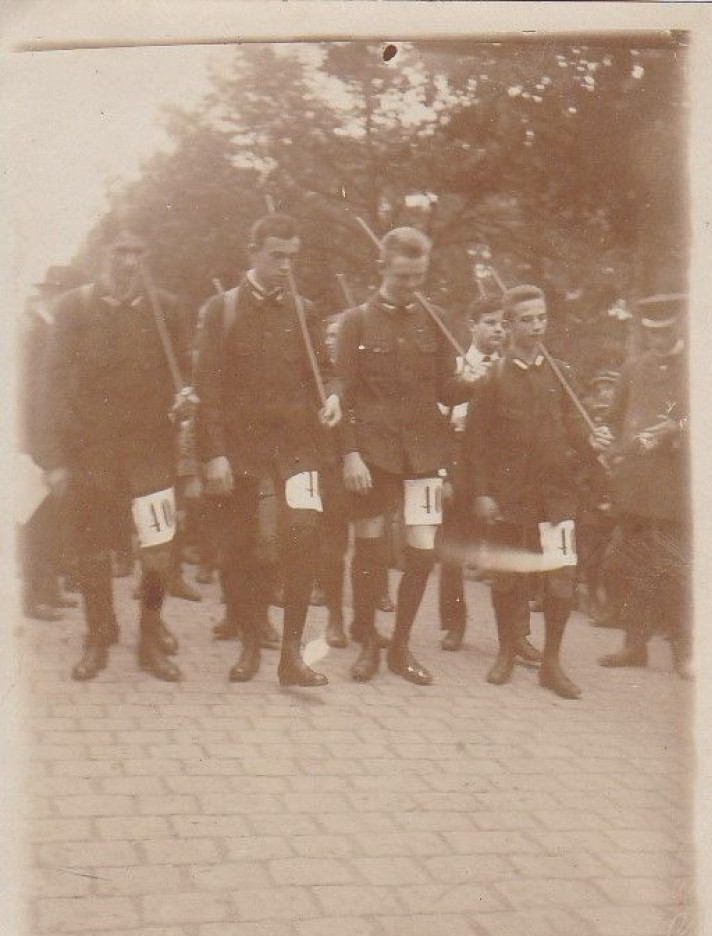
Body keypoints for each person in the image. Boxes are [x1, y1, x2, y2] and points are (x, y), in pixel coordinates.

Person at [37, 218, 190, 682]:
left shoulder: (166, 310)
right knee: (94, 551)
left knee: (159, 552)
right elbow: (51, 387)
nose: (129, 262)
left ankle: (149, 636)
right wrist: (56, 461)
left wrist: (187, 397)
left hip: (151, 455)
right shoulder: (74, 308)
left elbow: (185, 375)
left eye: (138, 252)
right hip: (92, 454)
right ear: (102, 253)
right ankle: (99, 635)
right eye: (120, 251)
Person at [194, 212, 342, 687]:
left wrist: (333, 396)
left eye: (291, 257)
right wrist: (213, 452)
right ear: (253, 252)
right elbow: (208, 387)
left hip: (298, 447)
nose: (285, 266)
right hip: (242, 450)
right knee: (242, 549)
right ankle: (251, 644)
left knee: (302, 537)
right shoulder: (223, 309)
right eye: (276, 256)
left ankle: (292, 658)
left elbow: (326, 369)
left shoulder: (305, 311)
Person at [463, 284, 612, 699]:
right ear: (508, 325)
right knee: (507, 577)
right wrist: (482, 493)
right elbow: (474, 445)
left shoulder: (559, 371)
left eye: (542, 317)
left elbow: (574, 426)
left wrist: (591, 439)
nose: (537, 326)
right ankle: (507, 651)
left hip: (557, 494)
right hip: (509, 497)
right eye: (527, 319)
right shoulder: (492, 379)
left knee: (561, 579)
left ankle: (551, 663)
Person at [336, 226, 469, 685]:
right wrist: (350, 454)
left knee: (421, 549)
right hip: (373, 451)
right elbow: (344, 395)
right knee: (369, 543)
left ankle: (402, 645)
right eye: (404, 277)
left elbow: (448, 390)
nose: (413, 286)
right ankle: (369, 640)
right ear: (383, 268)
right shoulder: (355, 321)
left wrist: (474, 378)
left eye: (419, 277)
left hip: (425, 451)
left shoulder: (436, 318)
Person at [437, 293, 542, 668]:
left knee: (513, 549)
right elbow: (440, 424)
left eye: (502, 324)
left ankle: (518, 635)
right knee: (455, 547)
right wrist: (444, 474)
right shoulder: (454, 364)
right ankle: (454, 623)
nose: (497, 330)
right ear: (472, 326)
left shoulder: (515, 366)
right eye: (489, 323)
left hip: (502, 473)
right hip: (460, 466)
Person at [598, 294, 692, 678]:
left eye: (665, 330)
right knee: (633, 565)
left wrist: (676, 430)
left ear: (679, 325)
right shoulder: (633, 369)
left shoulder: (696, 369)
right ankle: (634, 645)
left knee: (674, 569)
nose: (658, 338)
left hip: (675, 486)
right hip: (636, 485)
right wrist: (603, 439)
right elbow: (613, 419)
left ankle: (685, 652)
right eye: (651, 332)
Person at [18, 265, 84, 621]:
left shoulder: (49, 329)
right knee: (34, 518)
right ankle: (33, 597)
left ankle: (48, 589)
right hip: (34, 442)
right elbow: (32, 393)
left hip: (49, 439)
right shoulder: (37, 332)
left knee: (51, 518)